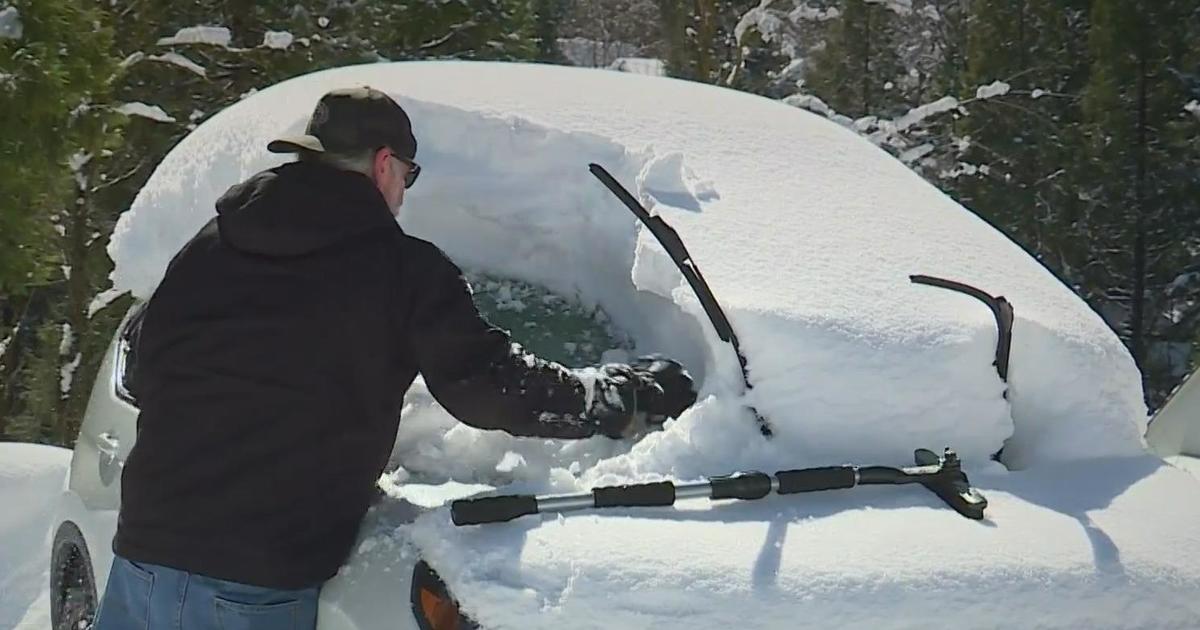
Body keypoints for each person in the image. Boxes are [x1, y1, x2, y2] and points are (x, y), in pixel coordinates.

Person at [91, 87, 697, 630]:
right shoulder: (404, 271)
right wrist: (617, 399)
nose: (403, 195)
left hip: (142, 556)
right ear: (385, 165)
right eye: (408, 176)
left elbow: (147, 366)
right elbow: (492, 386)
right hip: (254, 579)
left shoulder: (212, 245)